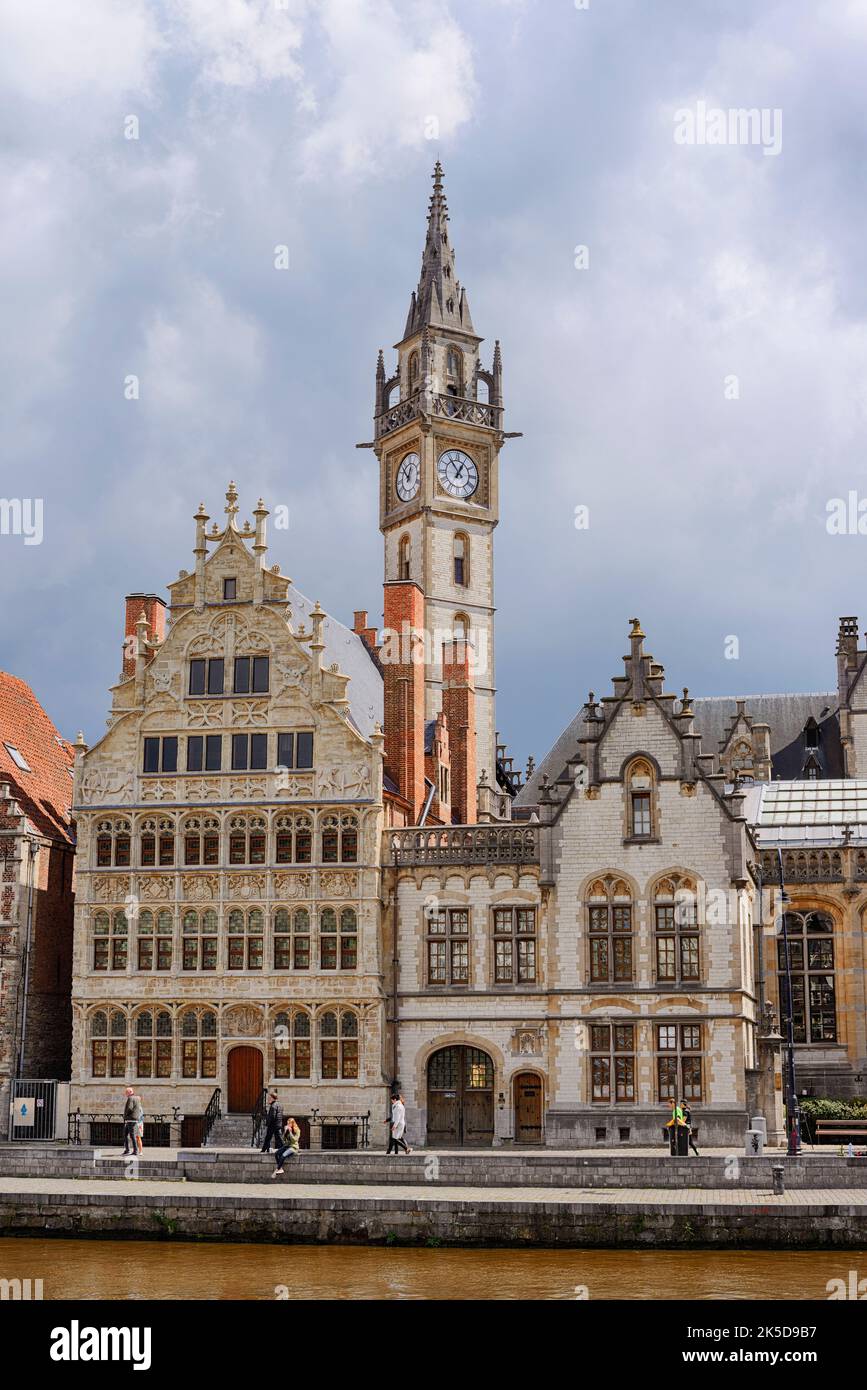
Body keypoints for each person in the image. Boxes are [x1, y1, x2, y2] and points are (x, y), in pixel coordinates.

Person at [121, 1087, 142, 1156]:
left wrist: (125, 1115)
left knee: (132, 1135)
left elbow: (129, 1108)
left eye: (126, 1092)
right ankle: (127, 1150)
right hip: (134, 1119)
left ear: (130, 1092)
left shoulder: (130, 1098)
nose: (125, 1094)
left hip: (130, 1119)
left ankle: (135, 1151)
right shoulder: (138, 1098)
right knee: (125, 1134)